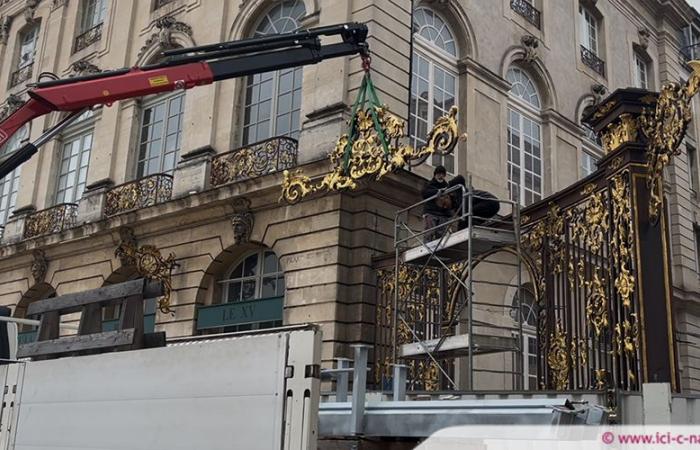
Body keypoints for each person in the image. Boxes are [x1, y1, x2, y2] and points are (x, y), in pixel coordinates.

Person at [421, 166, 500, 239]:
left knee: (468, 215)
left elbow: (460, 178)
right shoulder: (456, 208)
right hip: (489, 207)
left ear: (447, 196)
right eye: (439, 174)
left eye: (444, 203)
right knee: (469, 219)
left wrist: (447, 189)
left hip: (489, 201)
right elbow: (424, 193)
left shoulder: (457, 192)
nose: (445, 207)